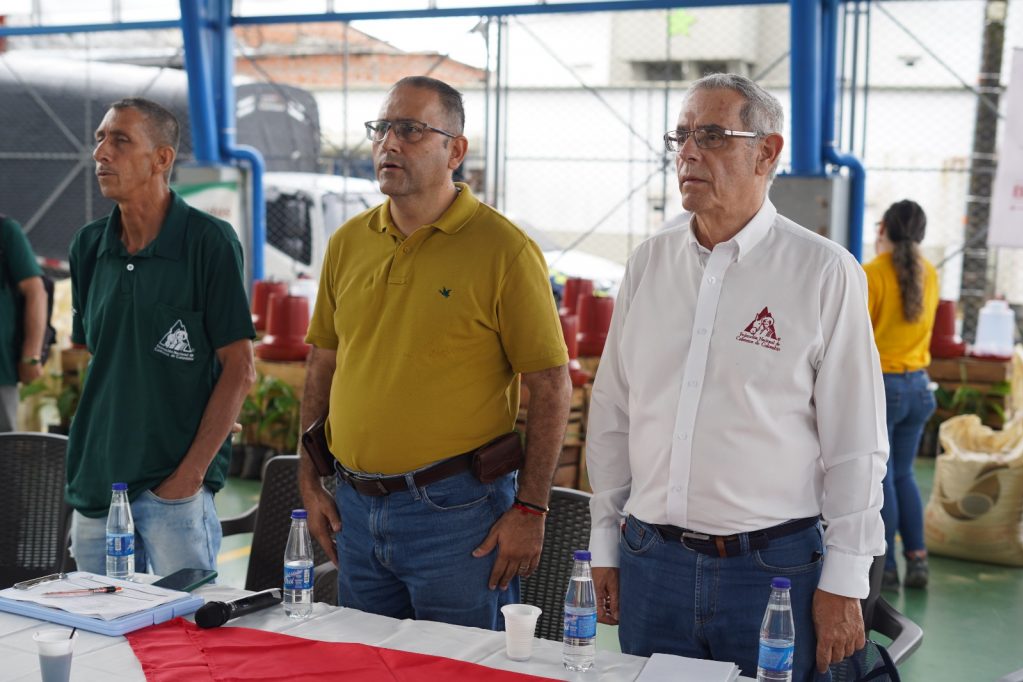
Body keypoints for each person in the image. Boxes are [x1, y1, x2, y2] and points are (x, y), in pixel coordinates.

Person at [585, 73, 888, 681]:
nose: (688, 153)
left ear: (766, 152)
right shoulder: (649, 264)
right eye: (681, 136)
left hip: (772, 572)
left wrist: (845, 580)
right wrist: (605, 543)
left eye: (713, 136)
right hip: (652, 562)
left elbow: (856, 445)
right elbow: (614, 413)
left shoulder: (823, 273)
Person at [298, 76, 571, 630]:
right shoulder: (348, 242)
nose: (389, 143)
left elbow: (551, 384)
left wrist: (531, 508)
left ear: (456, 150)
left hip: (459, 516)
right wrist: (310, 481)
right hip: (354, 508)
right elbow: (323, 363)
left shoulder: (504, 249)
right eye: (381, 128)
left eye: (410, 129)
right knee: (368, 663)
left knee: (460, 665)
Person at [66, 97, 256, 575]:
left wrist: (189, 477)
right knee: (94, 618)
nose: (101, 153)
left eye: (120, 140)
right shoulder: (87, 246)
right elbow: (103, 356)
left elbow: (240, 368)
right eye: (100, 139)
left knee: (185, 620)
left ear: (162, 158)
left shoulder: (209, 242)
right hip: (97, 486)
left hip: (174, 489)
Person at [864, 199, 938, 592]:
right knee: (904, 474)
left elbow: (856, 336)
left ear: (883, 229)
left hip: (885, 387)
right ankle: (918, 558)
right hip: (920, 387)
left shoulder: (872, 273)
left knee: (883, 479)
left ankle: (888, 568)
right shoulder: (930, 273)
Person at [0, 214, 47, 431]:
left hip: (2, 371)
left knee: (3, 446)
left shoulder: (5, 231)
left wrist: (31, 355)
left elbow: (36, 291)